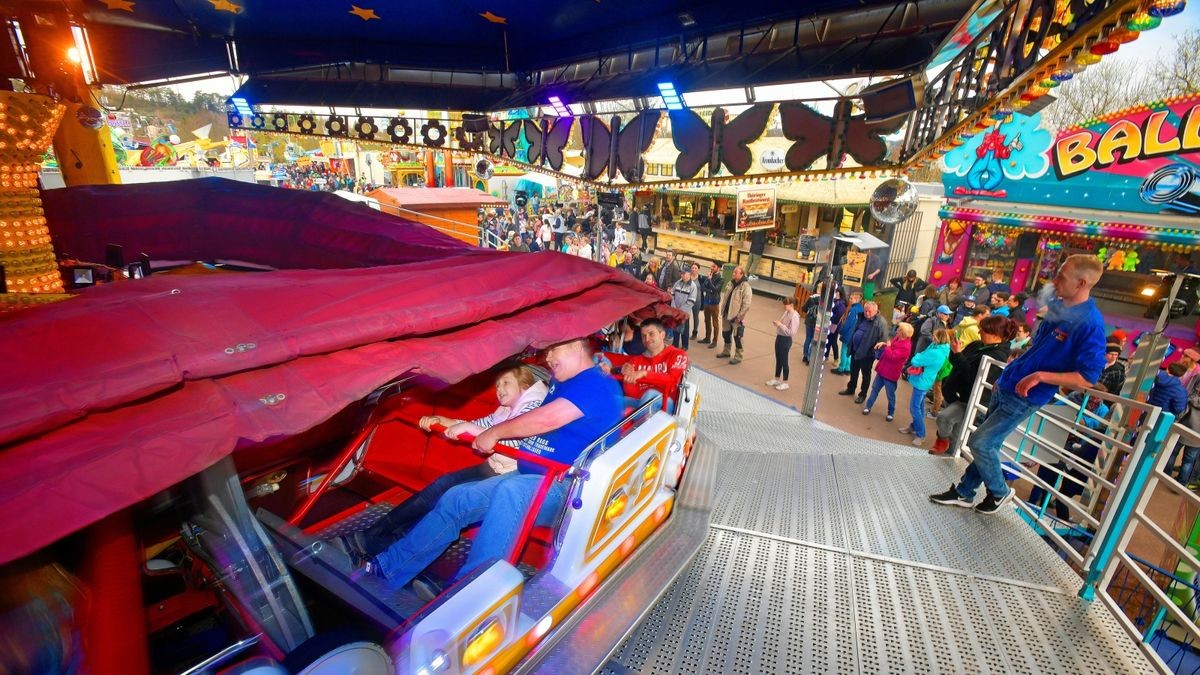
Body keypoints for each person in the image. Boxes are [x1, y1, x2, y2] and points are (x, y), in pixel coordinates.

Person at [364, 338, 623, 592]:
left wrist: (494, 433)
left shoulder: (596, 384)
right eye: (546, 351)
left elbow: (546, 420)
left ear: (578, 345)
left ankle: (471, 594)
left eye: (555, 349)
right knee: (457, 497)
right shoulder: (560, 381)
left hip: (566, 488)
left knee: (512, 493)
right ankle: (390, 568)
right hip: (531, 476)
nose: (548, 357)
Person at [930, 254, 1107, 515]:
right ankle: (965, 492)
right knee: (989, 443)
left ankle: (1000, 493)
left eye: (1062, 277)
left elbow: (1088, 377)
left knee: (981, 443)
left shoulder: (1090, 324)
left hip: (1027, 394)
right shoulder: (1059, 306)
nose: (1054, 280)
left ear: (1081, 283)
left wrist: (1041, 377)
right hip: (1008, 383)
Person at [350, 365, 548, 558]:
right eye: (497, 385)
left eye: (506, 382)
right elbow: (478, 424)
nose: (499, 389)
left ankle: (382, 540)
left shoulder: (534, 406)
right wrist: (440, 419)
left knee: (448, 494)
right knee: (441, 485)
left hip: (512, 476)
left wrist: (469, 428)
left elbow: (511, 438)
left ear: (524, 386)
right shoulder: (505, 411)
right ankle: (378, 537)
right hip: (496, 467)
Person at [929, 316, 1015, 455]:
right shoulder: (977, 344)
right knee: (955, 428)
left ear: (996, 335)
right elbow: (957, 361)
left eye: (984, 330)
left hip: (969, 399)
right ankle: (948, 453)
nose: (979, 332)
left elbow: (971, 375)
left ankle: (943, 443)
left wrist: (957, 354)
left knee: (944, 418)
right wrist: (955, 352)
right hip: (954, 394)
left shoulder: (998, 356)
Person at [606, 318, 690, 413]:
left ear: (662, 335)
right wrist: (628, 379)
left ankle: (635, 423)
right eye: (643, 336)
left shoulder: (678, 355)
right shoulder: (635, 361)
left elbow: (673, 381)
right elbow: (631, 393)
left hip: (665, 404)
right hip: (640, 404)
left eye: (651, 334)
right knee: (611, 400)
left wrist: (644, 373)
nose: (647, 339)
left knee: (650, 394)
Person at [903, 328, 952, 447]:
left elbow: (916, 361)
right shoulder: (942, 349)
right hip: (926, 380)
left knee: (914, 408)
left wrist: (918, 356)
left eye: (935, 336)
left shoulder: (935, 352)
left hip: (922, 381)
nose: (933, 338)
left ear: (939, 338)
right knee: (919, 407)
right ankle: (914, 427)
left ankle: (921, 434)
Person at [840, 301, 888, 403]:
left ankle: (862, 395)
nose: (867, 313)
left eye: (869, 311)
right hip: (855, 350)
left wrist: (875, 352)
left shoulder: (881, 322)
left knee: (866, 375)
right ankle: (851, 388)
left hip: (867, 354)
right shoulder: (861, 317)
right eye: (865, 310)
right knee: (854, 371)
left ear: (875, 311)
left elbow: (883, 340)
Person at [863, 322, 913, 422]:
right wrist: (885, 344)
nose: (897, 331)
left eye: (899, 330)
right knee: (874, 389)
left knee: (890, 395)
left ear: (902, 333)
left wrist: (888, 346)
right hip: (883, 369)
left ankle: (891, 412)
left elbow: (893, 356)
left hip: (891, 374)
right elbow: (890, 349)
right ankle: (868, 406)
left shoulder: (906, 346)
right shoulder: (898, 339)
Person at [717, 266, 753, 365]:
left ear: (741, 274)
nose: (733, 274)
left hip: (736, 318)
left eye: (736, 272)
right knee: (725, 334)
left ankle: (738, 356)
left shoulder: (745, 287)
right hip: (726, 314)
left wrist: (739, 317)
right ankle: (726, 351)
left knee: (738, 337)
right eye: (733, 272)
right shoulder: (730, 283)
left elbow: (747, 304)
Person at [767, 297, 801, 391]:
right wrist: (778, 324)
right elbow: (782, 324)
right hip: (780, 337)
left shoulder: (794, 316)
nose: (784, 306)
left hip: (786, 340)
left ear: (791, 305)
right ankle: (776, 378)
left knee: (784, 361)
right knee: (778, 359)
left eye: (786, 304)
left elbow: (792, 332)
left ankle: (785, 382)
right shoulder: (786, 312)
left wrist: (780, 325)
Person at [834, 292, 864, 375]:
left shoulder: (853, 310)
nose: (850, 300)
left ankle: (841, 368)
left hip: (848, 334)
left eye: (851, 298)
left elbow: (848, 324)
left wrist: (841, 331)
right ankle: (847, 368)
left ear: (857, 299)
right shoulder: (861, 309)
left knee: (844, 350)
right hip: (855, 334)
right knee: (849, 352)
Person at [670, 269, 699, 350]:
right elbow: (672, 294)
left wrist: (681, 310)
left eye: (683, 273)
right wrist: (674, 306)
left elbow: (691, 301)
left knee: (684, 329)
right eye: (681, 273)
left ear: (689, 274)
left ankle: (685, 346)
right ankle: (675, 343)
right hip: (675, 310)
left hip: (684, 312)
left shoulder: (693, 286)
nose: (681, 275)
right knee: (675, 327)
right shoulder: (678, 282)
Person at [700, 262, 723, 347]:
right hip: (707, 301)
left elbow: (716, 289)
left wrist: (709, 280)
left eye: (714, 266)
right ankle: (707, 337)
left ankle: (715, 341)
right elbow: (703, 288)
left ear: (719, 268)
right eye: (711, 266)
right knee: (706, 320)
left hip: (714, 302)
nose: (712, 268)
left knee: (715, 322)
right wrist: (710, 290)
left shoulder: (721, 278)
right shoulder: (710, 275)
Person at [801, 289, 821, 366]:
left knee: (808, 338)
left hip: (809, 321)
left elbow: (804, 308)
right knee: (814, 340)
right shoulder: (825, 299)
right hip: (818, 323)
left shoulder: (811, 297)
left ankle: (805, 356)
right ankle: (810, 358)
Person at [688, 263, 703, 340]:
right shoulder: (687, 276)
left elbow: (704, 288)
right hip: (687, 300)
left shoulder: (701, 278)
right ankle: (684, 331)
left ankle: (695, 332)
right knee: (686, 316)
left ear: (698, 270)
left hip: (697, 301)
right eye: (692, 268)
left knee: (695, 316)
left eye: (695, 268)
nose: (693, 269)